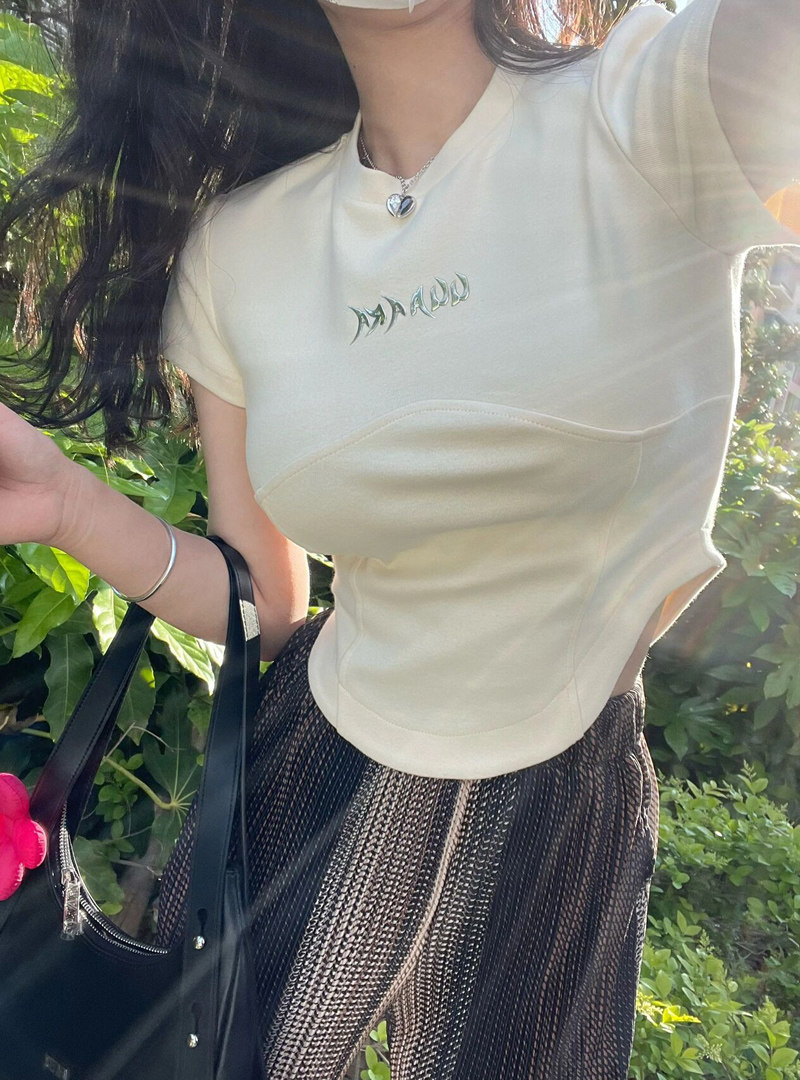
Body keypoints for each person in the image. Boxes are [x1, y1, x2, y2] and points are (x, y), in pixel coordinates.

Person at [0, 0, 798, 1075]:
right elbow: (264, 600)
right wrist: (65, 503)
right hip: (308, 769)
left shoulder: (658, 101)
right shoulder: (240, 247)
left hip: (564, 807)